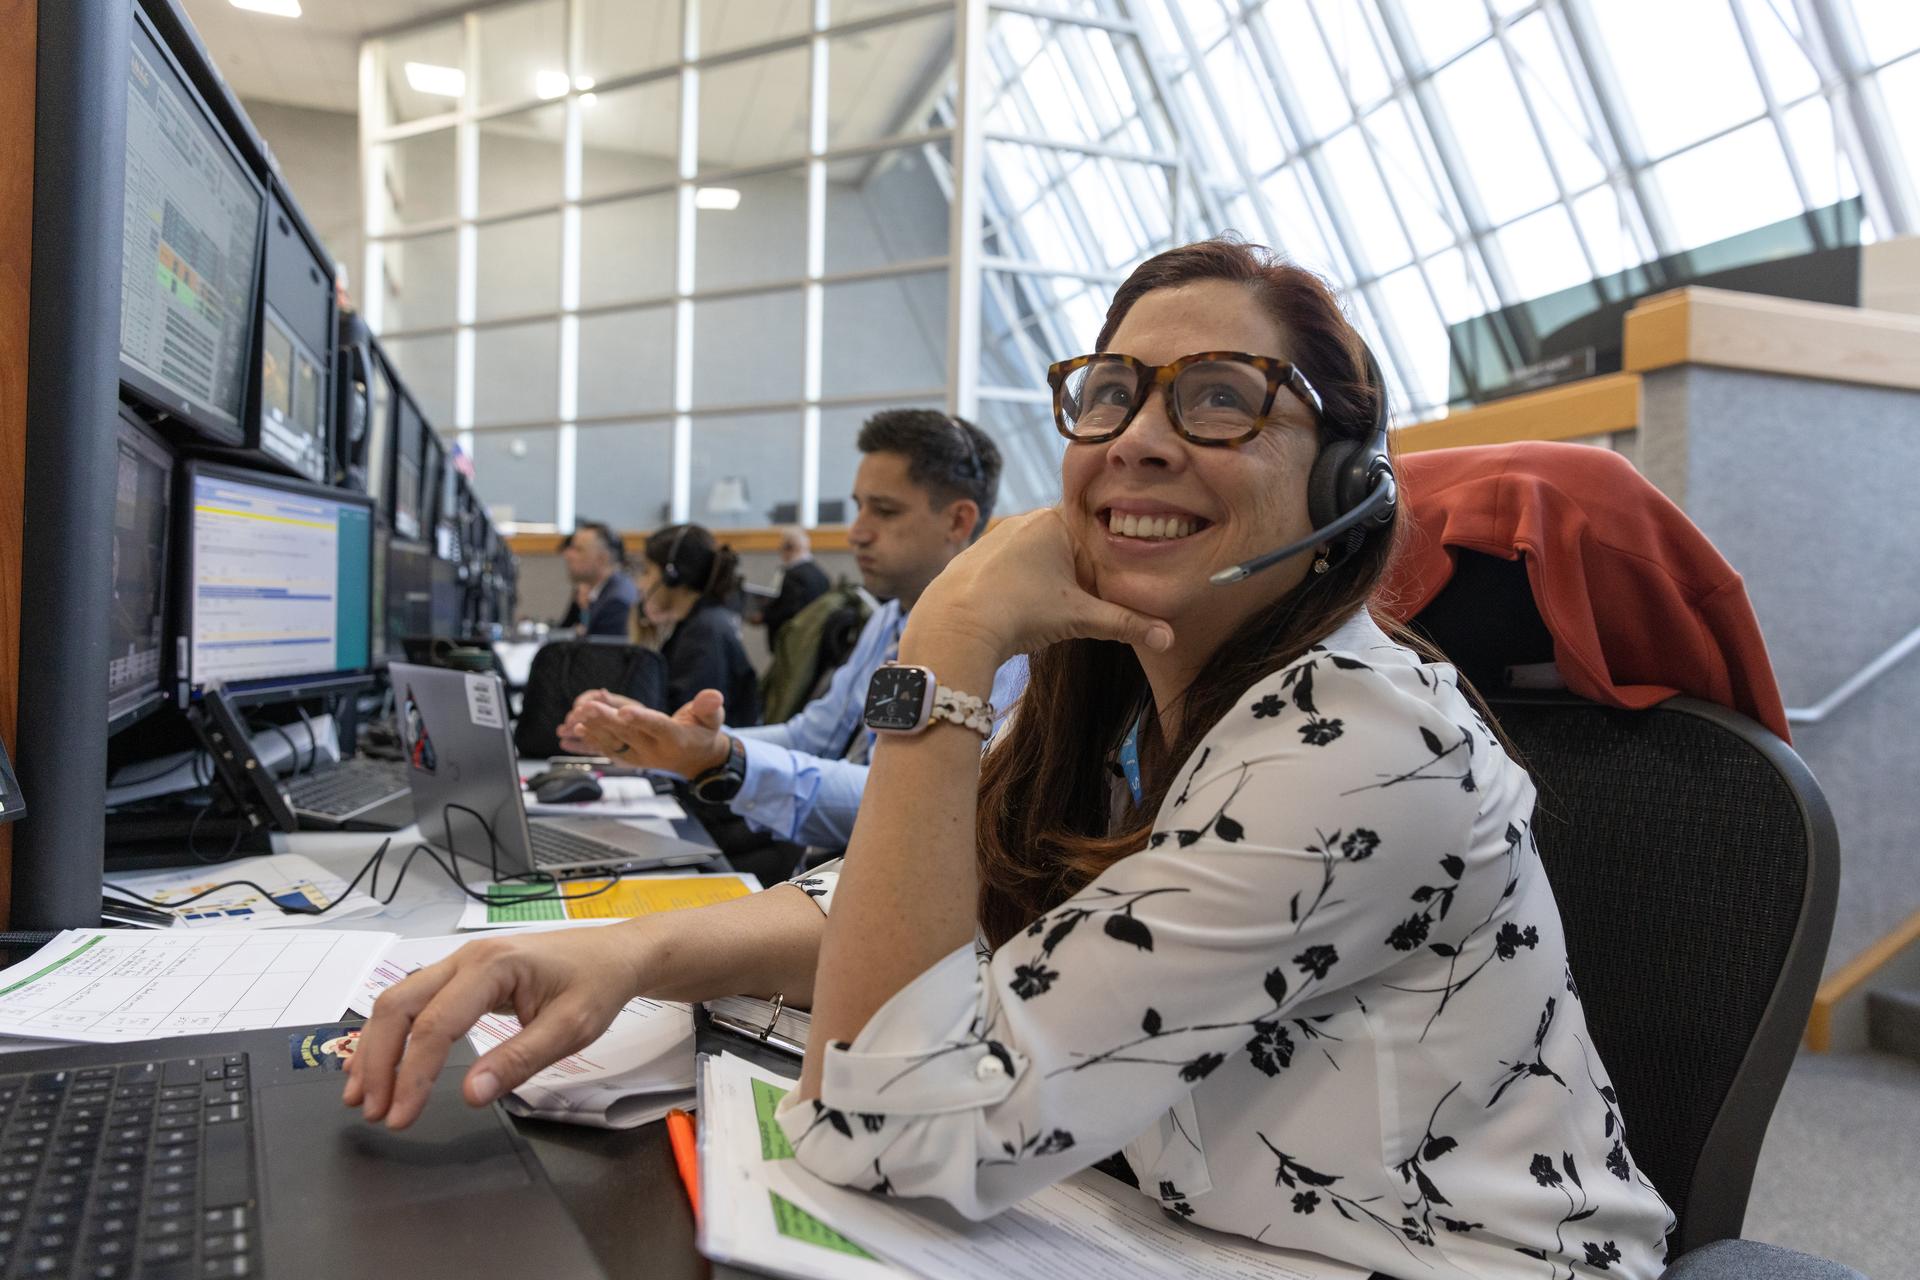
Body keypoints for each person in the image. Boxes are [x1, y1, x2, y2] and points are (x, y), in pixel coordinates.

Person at [345, 241, 1673, 1280]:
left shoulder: (1361, 748)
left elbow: (888, 1128)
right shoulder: (1137, 697)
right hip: (1212, 1224)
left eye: (1222, 400)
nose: (1141, 436)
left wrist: (952, 644)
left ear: (1340, 494)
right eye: (1112, 394)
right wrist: (627, 953)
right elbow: (938, 905)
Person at [553, 410, 1024, 851]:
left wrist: (721, 758)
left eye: (883, 511)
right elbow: (811, 738)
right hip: (822, 863)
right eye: (859, 508)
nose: (856, 532)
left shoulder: (1001, 643)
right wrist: (675, 741)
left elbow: (920, 803)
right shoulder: (889, 618)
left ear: (958, 520)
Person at [638, 523, 761, 727]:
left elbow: (685, 723)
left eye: (647, 571)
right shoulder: (702, 622)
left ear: (671, 576)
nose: (641, 584)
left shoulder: (704, 633)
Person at [555, 520, 637, 638]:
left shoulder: (616, 603)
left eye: (578, 549)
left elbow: (593, 652)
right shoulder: (592, 591)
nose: (567, 555)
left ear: (602, 558)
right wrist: (583, 609)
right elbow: (564, 629)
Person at [759, 526, 829, 649]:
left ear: (790, 548)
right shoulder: (821, 575)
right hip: (815, 643)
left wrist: (764, 616)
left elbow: (788, 611)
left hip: (793, 643)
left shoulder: (793, 576)